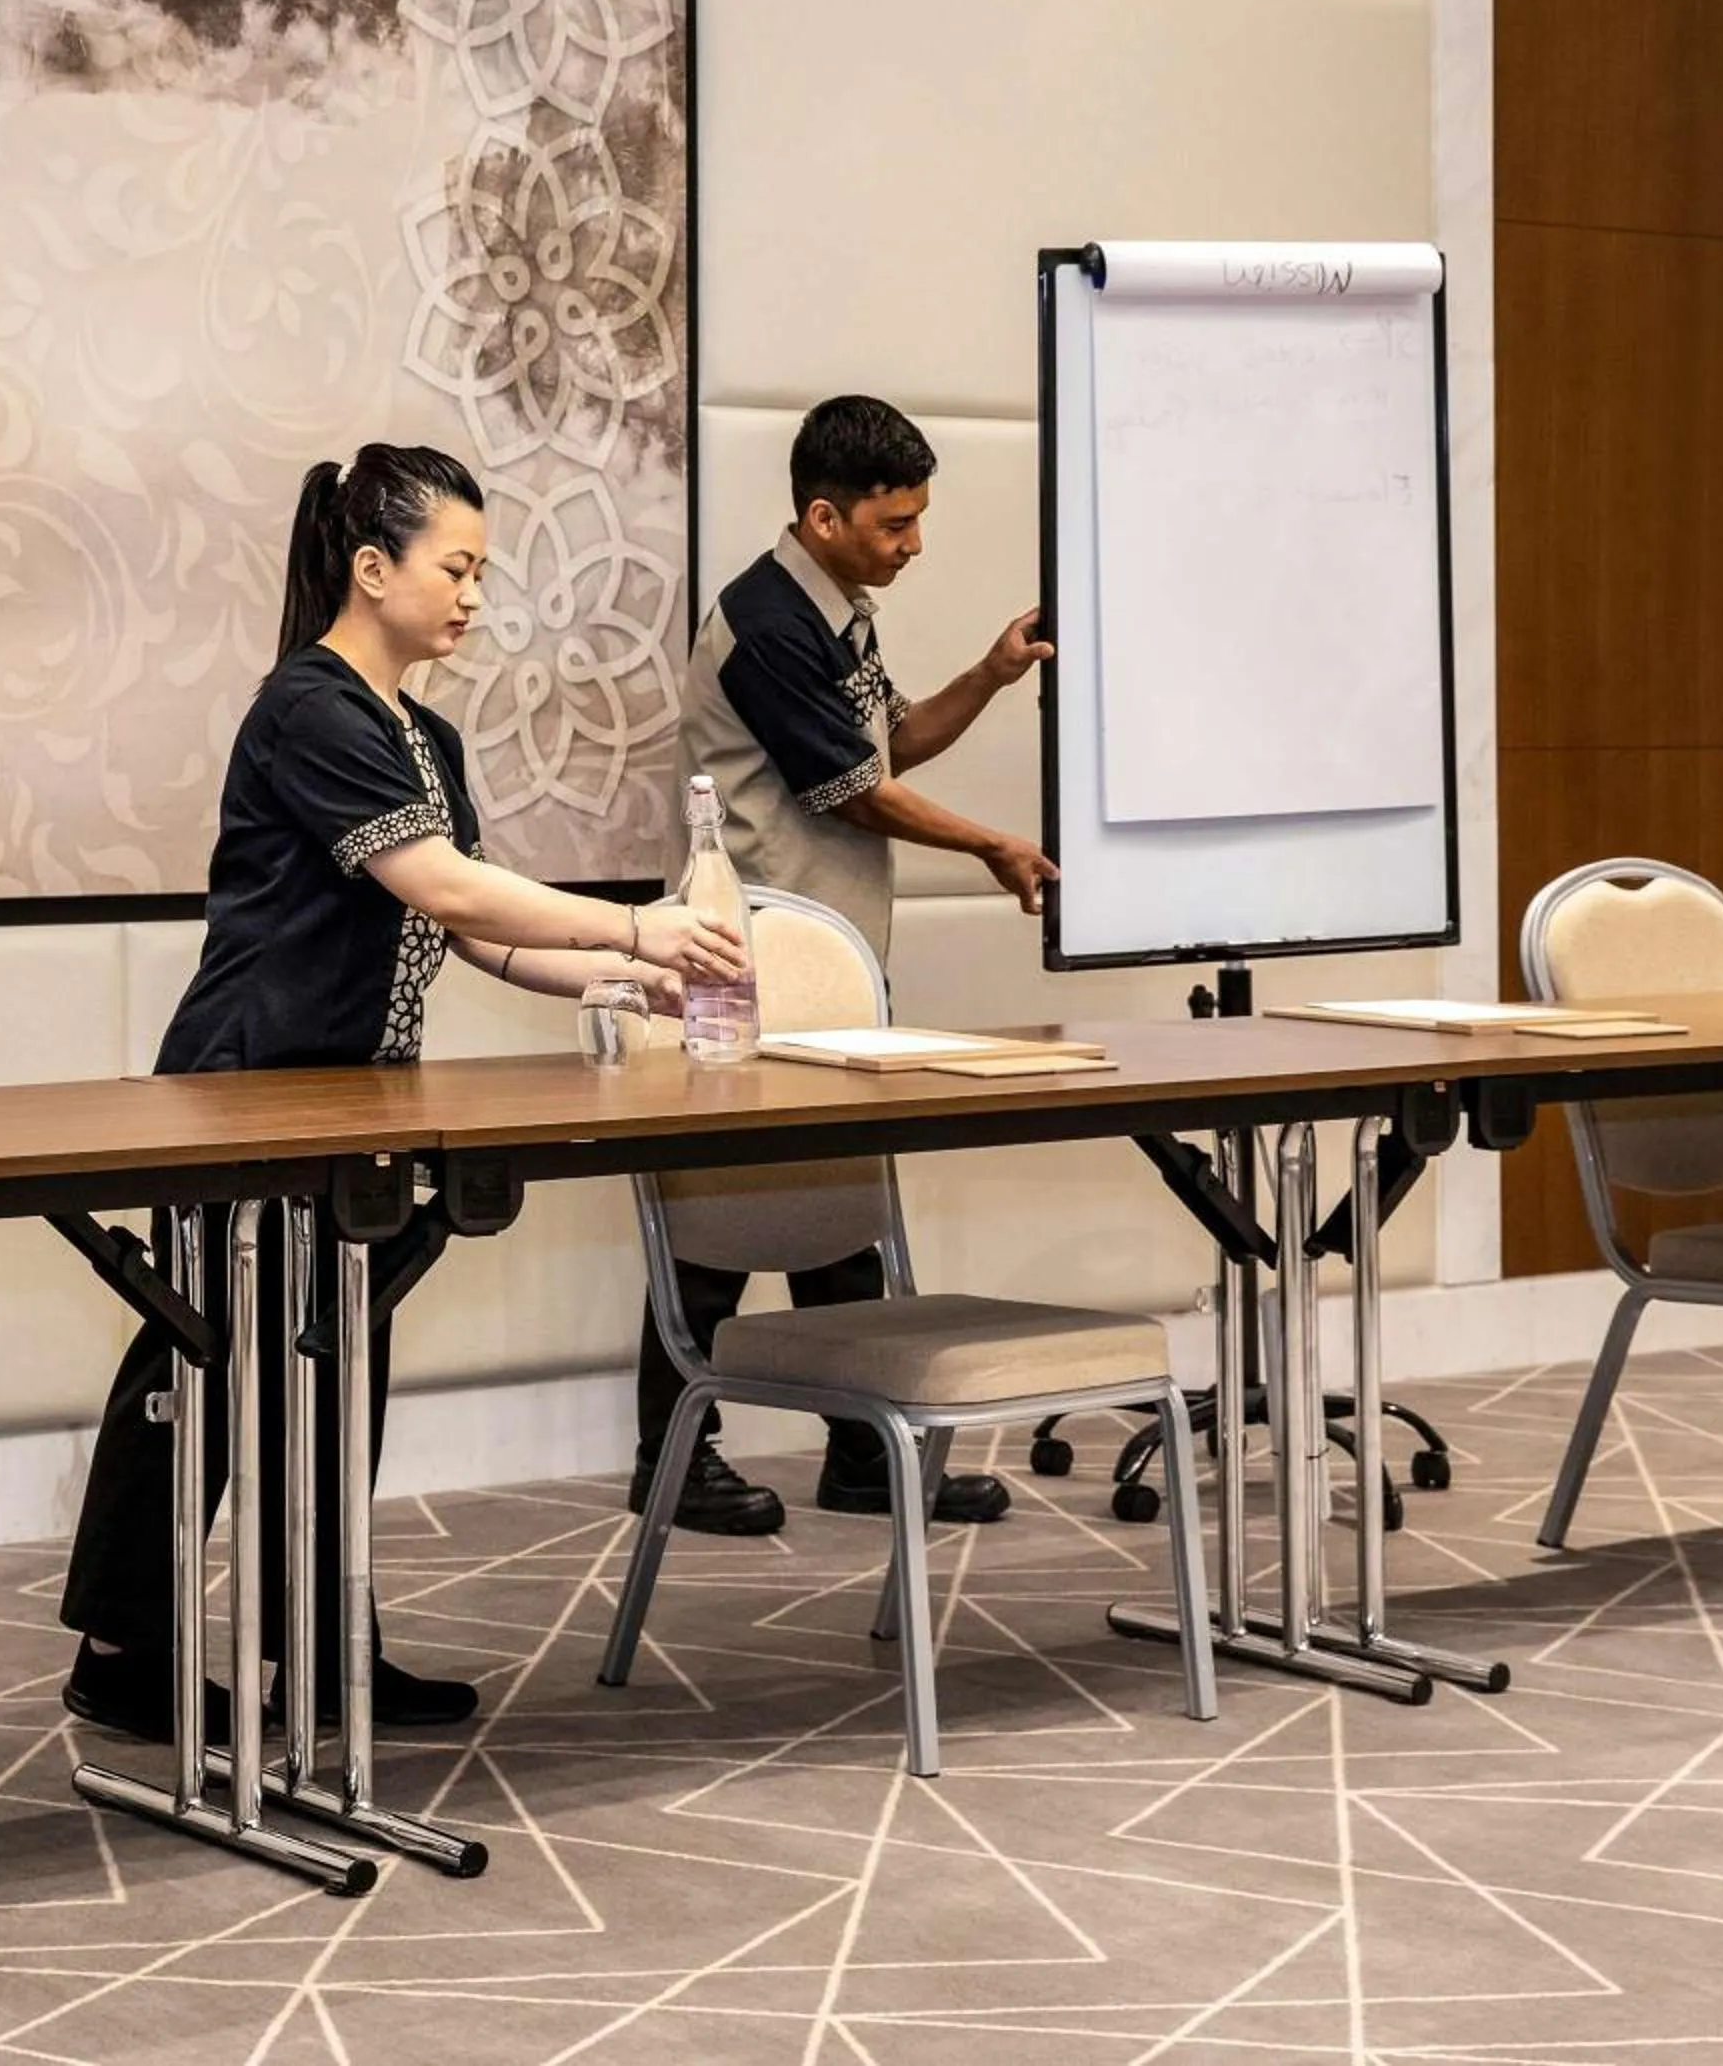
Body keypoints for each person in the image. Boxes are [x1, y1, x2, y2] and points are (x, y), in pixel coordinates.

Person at [59, 443, 746, 1742]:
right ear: (373, 570)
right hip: (245, 1092)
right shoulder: (309, 705)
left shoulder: (422, 731)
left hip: (353, 1104)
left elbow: (484, 934)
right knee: (211, 1362)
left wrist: (617, 975)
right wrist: (641, 927)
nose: (476, 593)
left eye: (483, 569)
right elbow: (442, 887)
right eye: (457, 566)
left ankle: (322, 1650)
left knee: (330, 1366)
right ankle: (121, 1650)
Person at [631, 395, 1059, 1539]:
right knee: (722, 1212)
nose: (913, 543)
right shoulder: (768, 622)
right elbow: (854, 790)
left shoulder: (836, 609)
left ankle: (866, 1448)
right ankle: (670, 1458)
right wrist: (989, 843)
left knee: (842, 1207)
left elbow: (892, 738)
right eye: (893, 524)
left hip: (833, 957)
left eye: (917, 520)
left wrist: (988, 673)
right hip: (758, 955)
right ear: (823, 516)